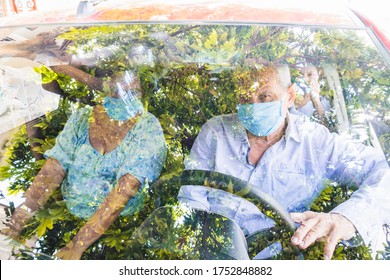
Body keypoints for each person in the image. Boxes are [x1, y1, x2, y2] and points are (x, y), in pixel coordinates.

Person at [178, 64, 390, 259]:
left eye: (265, 97)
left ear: (289, 96)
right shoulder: (216, 131)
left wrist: (347, 218)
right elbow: (191, 199)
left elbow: (382, 171)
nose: (253, 106)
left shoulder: (314, 142)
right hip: (210, 260)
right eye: (244, 98)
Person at [1, 70, 167, 260]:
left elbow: (126, 188)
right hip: (66, 212)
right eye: (117, 90)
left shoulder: (148, 127)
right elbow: (54, 168)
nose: (123, 97)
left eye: (132, 91)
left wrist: (77, 245)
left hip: (119, 228)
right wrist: (18, 221)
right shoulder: (83, 117)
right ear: (105, 89)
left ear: (140, 95)